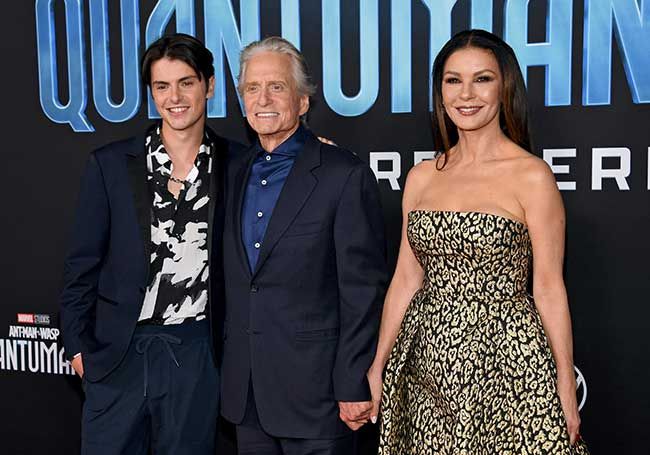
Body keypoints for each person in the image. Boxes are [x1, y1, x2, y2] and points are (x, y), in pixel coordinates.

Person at [367, 29, 590, 454]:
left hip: (508, 359)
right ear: (441, 90)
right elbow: (406, 278)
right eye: (453, 80)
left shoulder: (531, 176)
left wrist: (564, 379)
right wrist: (379, 364)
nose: (466, 94)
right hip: (427, 360)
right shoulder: (422, 177)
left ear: (504, 86)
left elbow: (547, 286)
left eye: (482, 79)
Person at [60, 33, 239, 454]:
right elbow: (80, 266)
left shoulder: (239, 164)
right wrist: (79, 349)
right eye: (162, 86)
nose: (174, 97)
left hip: (196, 354)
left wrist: (312, 151)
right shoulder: (110, 165)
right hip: (118, 354)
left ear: (209, 85)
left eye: (186, 83)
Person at [220, 36, 388, 455]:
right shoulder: (232, 171)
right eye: (251, 88)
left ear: (302, 101)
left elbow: (362, 291)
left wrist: (353, 382)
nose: (263, 99)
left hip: (317, 398)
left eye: (276, 87)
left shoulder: (342, 174)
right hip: (248, 396)